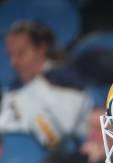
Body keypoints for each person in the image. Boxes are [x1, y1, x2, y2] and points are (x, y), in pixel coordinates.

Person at [0, 20, 91, 150]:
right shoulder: (13, 88)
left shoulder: (67, 81)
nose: (13, 63)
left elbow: (65, 129)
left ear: (41, 48)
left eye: (21, 53)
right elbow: (5, 128)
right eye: (10, 55)